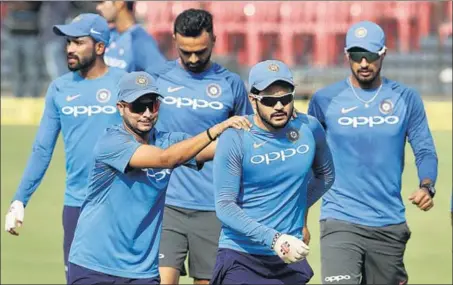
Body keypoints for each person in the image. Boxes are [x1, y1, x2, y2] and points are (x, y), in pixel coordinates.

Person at [66, 71, 251, 284]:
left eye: (152, 105)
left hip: (142, 272)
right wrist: (218, 128)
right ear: (121, 108)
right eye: (138, 106)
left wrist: (266, 127)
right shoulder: (111, 142)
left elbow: (219, 149)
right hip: (95, 265)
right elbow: (165, 159)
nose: (146, 113)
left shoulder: (169, 141)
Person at [308, 21, 438, 285]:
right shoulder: (324, 100)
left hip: (388, 223)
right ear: (347, 56)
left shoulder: (406, 98)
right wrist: (297, 215)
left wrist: (427, 186)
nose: (363, 63)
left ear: (383, 53)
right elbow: (305, 159)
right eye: (356, 55)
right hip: (339, 220)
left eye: (370, 55)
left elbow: (424, 150)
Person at [4, 13, 126, 282]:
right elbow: (42, 149)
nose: (69, 48)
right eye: (68, 42)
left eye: (78, 42)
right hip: (77, 206)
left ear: (100, 47)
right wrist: (19, 199)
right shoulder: (59, 89)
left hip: (122, 204)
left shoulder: (125, 84)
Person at [145, 9, 253, 284]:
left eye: (200, 52)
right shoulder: (157, 80)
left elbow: (247, 142)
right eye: (185, 51)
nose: (193, 58)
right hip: (164, 202)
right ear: (174, 40)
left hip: (214, 206)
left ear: (214, 40)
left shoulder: (231, 84)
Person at [210, 60, 335, 285]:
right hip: (241, 254)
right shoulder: (235, 137)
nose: (279, 106)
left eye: (285, 98)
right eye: (269, 100)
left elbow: (326, 176)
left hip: (288, 259)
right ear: (253, 100)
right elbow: (225, 206)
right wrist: (275, 239)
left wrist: (297, 206)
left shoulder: (310, 128)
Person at [96, 1, 166, 72]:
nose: (98, 7)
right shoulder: (108, 35)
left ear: (119, 3)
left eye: (102, 2)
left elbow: (162, 76)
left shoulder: (140, 40)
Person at [3, 1, 42, 97]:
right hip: (13, 34)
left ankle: (34, 96)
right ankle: (17, 96)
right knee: (16, 68)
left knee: (32, 68)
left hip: (31, 35)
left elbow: (36, 5)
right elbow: (7, 4)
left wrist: (19, 5)